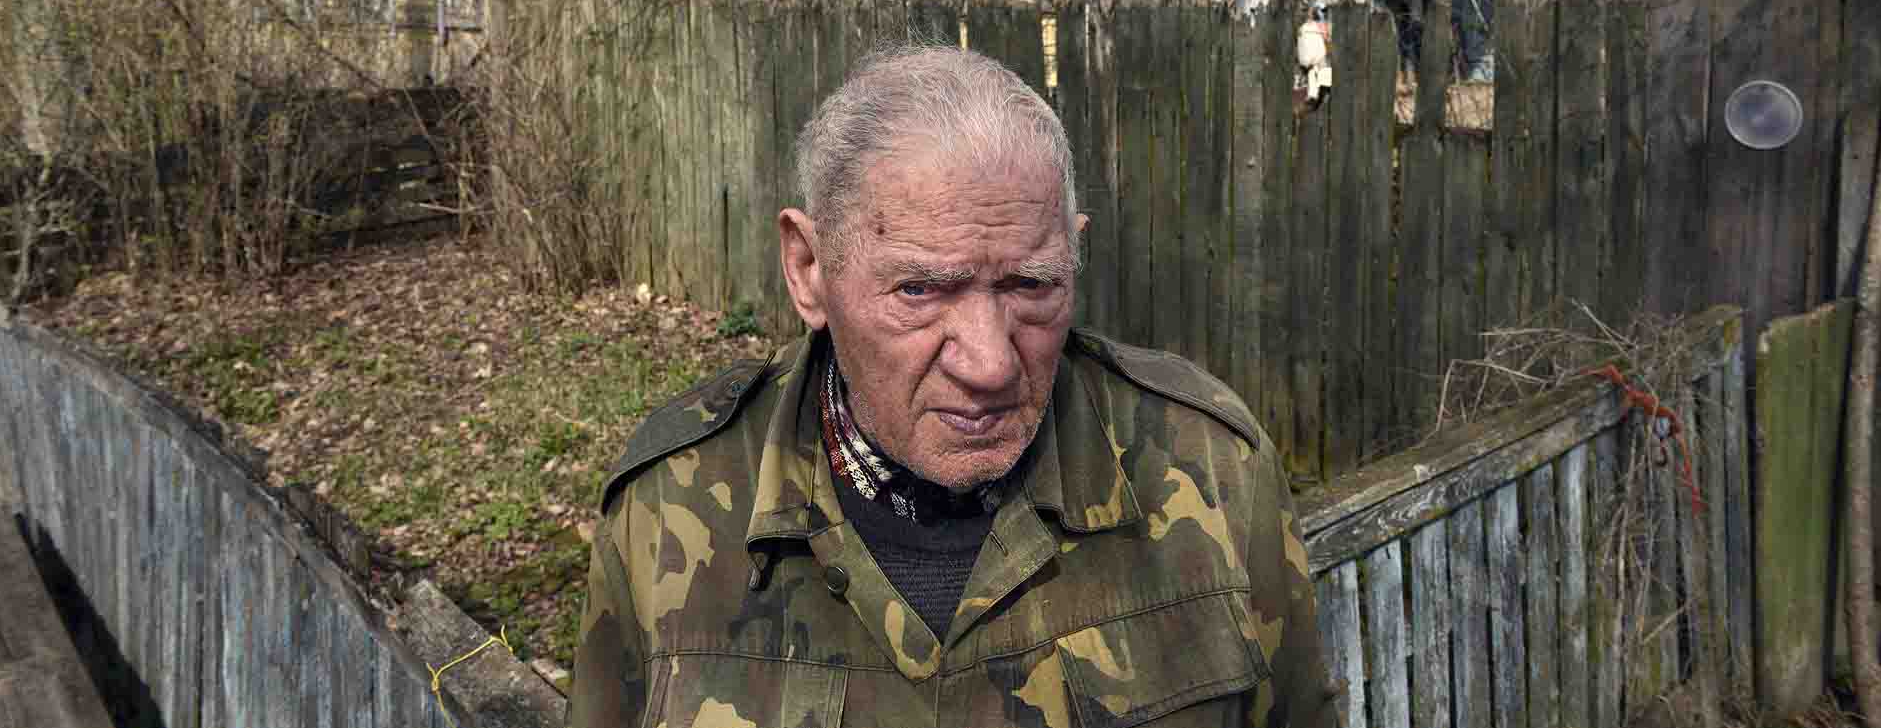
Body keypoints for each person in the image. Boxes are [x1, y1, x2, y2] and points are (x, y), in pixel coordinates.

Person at [568, 45, 1337, 728]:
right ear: (809, 270)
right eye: (921, 291)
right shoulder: (668, 506)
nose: (991, 362)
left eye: (1031, 283)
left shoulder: (1211, 472)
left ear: (1074, 253)